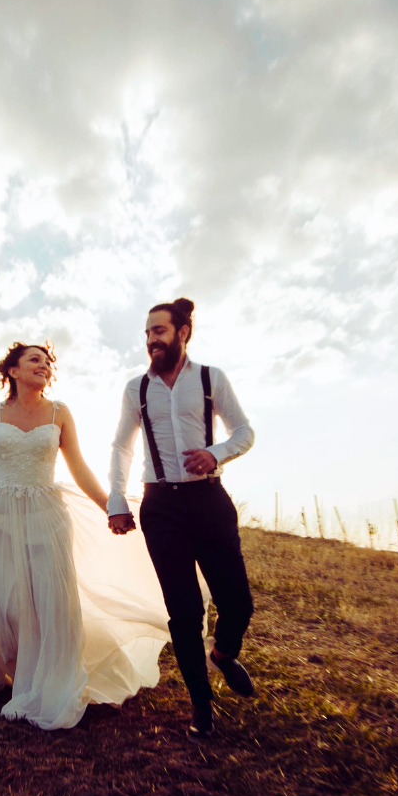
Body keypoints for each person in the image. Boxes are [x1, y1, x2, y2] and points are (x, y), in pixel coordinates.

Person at [0, 342, 170, 730]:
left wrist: (109, 505)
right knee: (2, 597)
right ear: (12, 371)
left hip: (44, 514)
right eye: (35, 359)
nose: (45, 366)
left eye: (48, 362)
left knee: (49, 598)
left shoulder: (59, 412)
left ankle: (50, 681)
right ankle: (12, 667)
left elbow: (78, 465)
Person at [108, 298, 255, 739]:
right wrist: (117, 498)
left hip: (209, 501)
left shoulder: (211, 378)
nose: (152, 339)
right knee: (184, 610)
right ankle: (201, 705)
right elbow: (121, 446)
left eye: (160, 331)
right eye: (148, 332)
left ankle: (224, 655)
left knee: (238, 602)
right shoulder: (136, 388)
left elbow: (244, 431)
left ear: (183, 332)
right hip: (161, 507)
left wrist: (215, 454)